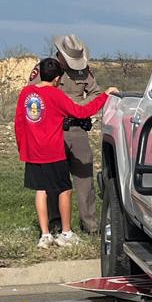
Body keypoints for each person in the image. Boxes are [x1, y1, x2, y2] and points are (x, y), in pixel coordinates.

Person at [16, 57, 118, 248]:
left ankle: (45, 234)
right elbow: (81, 111)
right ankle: (66, 232)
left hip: (34, 151)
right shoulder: (56, 95)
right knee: (65, 189)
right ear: (56, 79)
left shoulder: (27, 93)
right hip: (54, 151)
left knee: (41, 190)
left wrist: (23, 148)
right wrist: (105, 96)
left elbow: (19, 121)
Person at [28, 34, 102, 233]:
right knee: (52, 179)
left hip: (78, 128)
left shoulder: (85, 71)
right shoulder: (45, 70)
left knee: (85, 179)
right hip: (53, 130)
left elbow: (95, 92)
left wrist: (77, 106)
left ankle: (91, 225)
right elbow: (33, 95)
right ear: (60, 55)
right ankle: (55, 223)